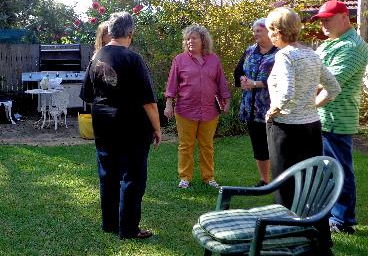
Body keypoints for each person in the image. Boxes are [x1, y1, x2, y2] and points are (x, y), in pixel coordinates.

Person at [264, 7, 340, 254]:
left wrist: (274, 111)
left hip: (286, 131)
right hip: (311, 127)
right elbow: (334, 88)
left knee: (285, 187)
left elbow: (286, 93)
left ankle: (289, 240)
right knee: (313, 184)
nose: (268, 34)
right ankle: (319, 240)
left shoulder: (285, 56)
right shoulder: (312, 54)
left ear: (277, 31)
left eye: (269, 30)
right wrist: (311, 106)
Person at [80, 12, 161, 240]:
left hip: (104, 125)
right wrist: (157, 128)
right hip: (132, 128)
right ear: (129, 33)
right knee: (133, 177)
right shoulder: (133, 59)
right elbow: (149, 102)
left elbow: (87, 95)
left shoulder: (96, 57)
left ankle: (109, 224)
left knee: (108, 174)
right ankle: (128, 229)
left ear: (111, 31)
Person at [311, 0, 368, 235]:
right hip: (321, 117)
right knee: (324, 169)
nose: (323, 23)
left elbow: (329, 83)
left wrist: (306, 104)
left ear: (345, 17)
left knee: (339, 169)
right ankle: (325, 214)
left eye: (328, 18)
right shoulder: (331, 43)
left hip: (336, 118)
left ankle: (344, 220)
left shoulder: (352, 46)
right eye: (321, 19)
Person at [164, 24, 231, 189]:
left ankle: (208, 177)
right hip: (185, 109)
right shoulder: (179, 60)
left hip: (210, 110)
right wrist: (168, 104)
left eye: (193, 38)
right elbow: (172, 84)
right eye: (187, 39)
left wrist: (227, 100)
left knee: (207, 145)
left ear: (203, 40)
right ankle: (185, 177)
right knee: (186, 145)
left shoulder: (214, 59)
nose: (190, 41)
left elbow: (221, 81)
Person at [234, 18, 278, 187]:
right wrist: (243, 79)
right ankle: (264, 180)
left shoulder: (279, 52)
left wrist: (257, 84)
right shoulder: (250, 51)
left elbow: (283, 79)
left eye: (258, 30)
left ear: (268, 31)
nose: (255, 34)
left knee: (275, 146)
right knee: (259, 145)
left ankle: (280, 179)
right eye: (254, 31)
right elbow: (238, 72)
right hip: (251, 108)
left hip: (272, 108)